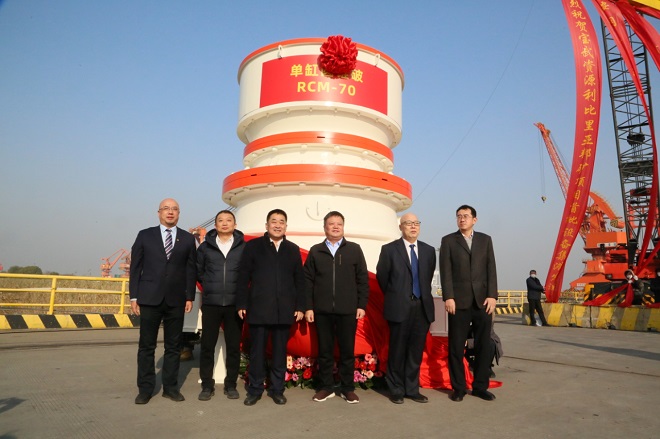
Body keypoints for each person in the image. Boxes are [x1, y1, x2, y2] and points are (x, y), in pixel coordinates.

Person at [130, 198, 197, 404]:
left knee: (173, 347)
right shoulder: (145, 235)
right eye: (166, 208)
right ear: (158, 213)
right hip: (149, 298)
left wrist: (189, 296)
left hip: (176, 299)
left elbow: (191, 269)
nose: (170, 212)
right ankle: (145, 389)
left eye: (174, 209)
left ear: (179, 214)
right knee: (146, 346)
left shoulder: (187, 239)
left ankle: (170, 388)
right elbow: (136, 267)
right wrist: (134, 296)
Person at [236, 209, 306, 406]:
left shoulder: (292, 249)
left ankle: (277, 389)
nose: (277, 225)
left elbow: (299, 280)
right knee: (257, 352)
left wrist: (301, 306)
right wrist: (241, 303)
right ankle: (255, 389)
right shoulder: (253, 246)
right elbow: (243, 276)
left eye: (281, 221)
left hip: (284, 310)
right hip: (258, 309)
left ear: (286, 226)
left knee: (279, 353)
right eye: (273, 221)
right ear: (266, 225)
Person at [304, 211, 369, 404]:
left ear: (343, 226)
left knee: (347, 351)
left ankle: (348, 388)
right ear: (325, 227)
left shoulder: (354, 249)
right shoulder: (316, 251)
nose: (335, 227)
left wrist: (361, 305)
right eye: (331, 224)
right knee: (325, 351)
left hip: (348, 310)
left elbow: (362, 279)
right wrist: (308, 307)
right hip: (322, 310)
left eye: (338, 224)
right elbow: (307, 281)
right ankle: (326, 387)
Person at [439, 204, 498, 402]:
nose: (462, 219)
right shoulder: (449, 241)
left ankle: (480, 387)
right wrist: (449, 296)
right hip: (458, 302)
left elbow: (491, 268)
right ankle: (459, 388)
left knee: (483, 346)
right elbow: (446, 271)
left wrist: (492, 295)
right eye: (459, 216)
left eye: (465, 216)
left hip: (483, 302)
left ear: (475, 219)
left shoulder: (485, 240)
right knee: (456, 347)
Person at [376, 213, 436, 404]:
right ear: (400, 227)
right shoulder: (389, 249)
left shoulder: (428, 250)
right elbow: (382, 278)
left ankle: (412, 389)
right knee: (397, 350)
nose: (413, 226)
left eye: (416, 223)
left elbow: (426, 278)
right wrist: (398, 295)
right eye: (408, 223)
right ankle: (396, 389)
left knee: (415, 351)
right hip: (399, 306)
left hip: (422, 307)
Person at [196, 210, 245, 401]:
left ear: (235, 224)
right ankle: (207, 385)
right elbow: (199, 272)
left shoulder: (243, 247)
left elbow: (248, 273)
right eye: (221, 221)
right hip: (211, 304)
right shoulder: (205, 247)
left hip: (234, 304)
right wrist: (209, 286)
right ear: (215, 225)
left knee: (233, 346)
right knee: (207, 346)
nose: (225, 223)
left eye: (229, 220)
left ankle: (230, 385)